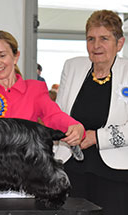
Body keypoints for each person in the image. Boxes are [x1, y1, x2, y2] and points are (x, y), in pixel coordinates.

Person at [0, 30, 84, 158]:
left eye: (2, 55)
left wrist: (74, 126)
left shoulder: (35, 89)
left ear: (15, 56)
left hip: (25, 169)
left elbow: (53, 115)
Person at [55, 10, 128, 215]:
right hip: (70, 168)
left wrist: (96, 137)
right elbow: (59, 114)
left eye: (104, 38)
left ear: (119, 43)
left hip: (115, 173)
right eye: (91, 38)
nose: (96, 45)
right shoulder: (73, 66)